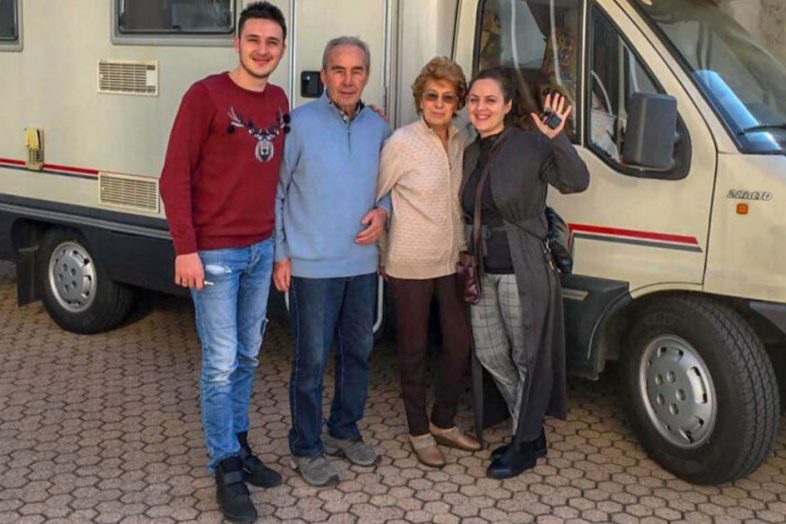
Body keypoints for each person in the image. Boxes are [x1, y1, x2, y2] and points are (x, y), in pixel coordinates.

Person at [159, 3, 288, 521]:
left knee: (249, 356)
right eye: (253, 39)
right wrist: (185, 247)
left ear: (282, 48)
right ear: (237, 42)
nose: (262, 50)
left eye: (272, 42)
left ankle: (238, 444)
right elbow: (174, 175)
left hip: (260, 249)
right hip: (214, 253)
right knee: (220, 363)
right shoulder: (205, 96)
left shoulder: (279, 101)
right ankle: (225, 468)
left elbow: (282, 171)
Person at [460, 67, 589, 479]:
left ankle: (525, 442)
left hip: (522, 268)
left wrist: (557, 138)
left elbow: (576, 181)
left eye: (490, 100)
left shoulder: (530, 144)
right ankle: (529, 430)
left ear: (508, 105)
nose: (481, 108)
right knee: (490, 352)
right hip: (482, 270)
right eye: (474, 100)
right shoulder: (472, 151)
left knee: (525, 356)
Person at [273, 36, 391, 487]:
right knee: (311, 361)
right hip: (311, 267)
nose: (347, 80)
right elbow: (276, 192)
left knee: (357, 354)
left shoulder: (379, 128)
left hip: (361, 265)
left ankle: (343, 428)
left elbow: (390, 186)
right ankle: (305, 446)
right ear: (324, 75)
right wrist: (281, 254)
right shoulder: (298, 124)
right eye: (338, 70)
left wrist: (384, 212)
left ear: (366, 76)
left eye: (356, 70)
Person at [375, 57, 480, 468]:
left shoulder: (461, 140)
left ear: (457, 103)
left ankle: (443, 422)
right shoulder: (401, 142)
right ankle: (418, 431)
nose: (438, 104)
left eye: (447, 98)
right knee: (414, 350)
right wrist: (382, 252)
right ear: (420, 99)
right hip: (410, 262)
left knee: (458, 343)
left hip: (451, 261)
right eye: (431, 96)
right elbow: (377, 196)